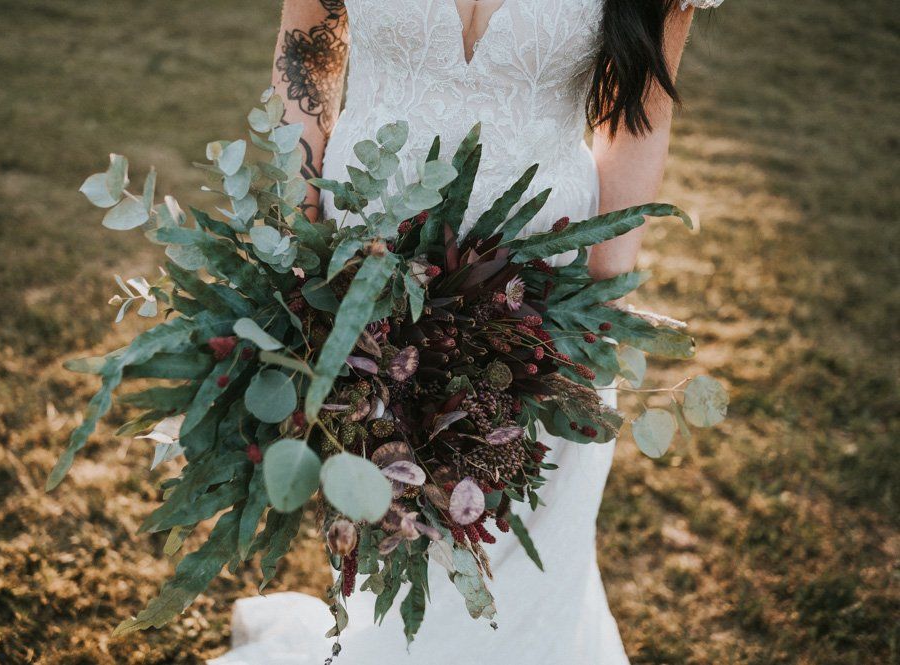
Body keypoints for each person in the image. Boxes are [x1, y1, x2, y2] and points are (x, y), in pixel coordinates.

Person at [211, 1, 724, 663]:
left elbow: (641, 110)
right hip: (363, 303)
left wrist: (597, 305)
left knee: (510, 584)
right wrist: (300, 260)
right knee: (406, 547)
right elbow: (307, 53)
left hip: (535, 319)